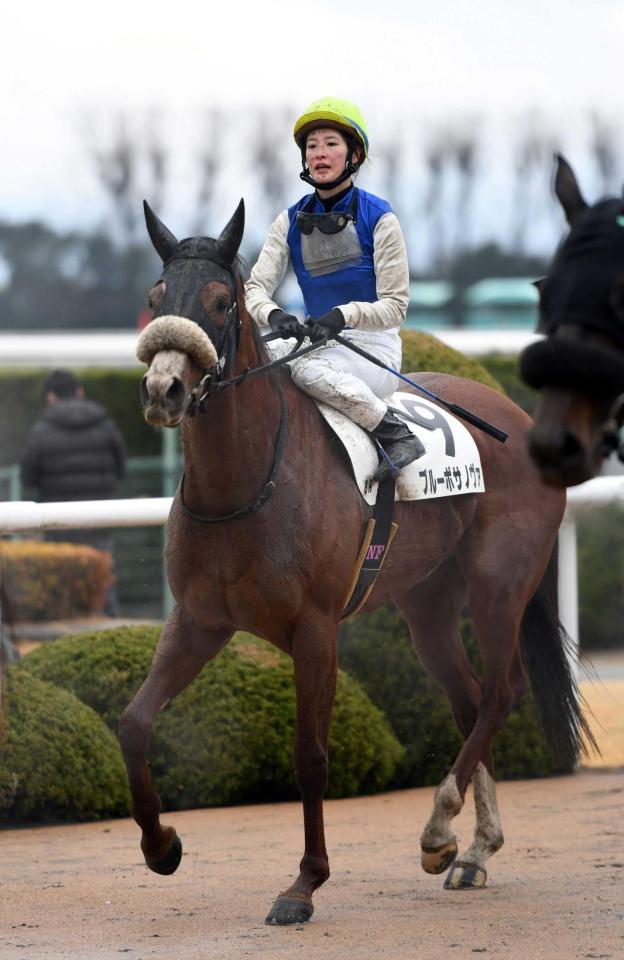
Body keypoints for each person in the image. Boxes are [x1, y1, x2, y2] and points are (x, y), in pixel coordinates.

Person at [244, 95, 424, 479]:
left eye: (330, 144)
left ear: (353, 156)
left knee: (307, 373)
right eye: (312, 146)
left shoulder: (380, 217)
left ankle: (396, 435)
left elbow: (396, 306)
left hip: (374, 350)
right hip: (317, 344)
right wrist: (274, 313)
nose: (319, 154)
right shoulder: (288, 220)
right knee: (250, 356)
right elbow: (254, 289)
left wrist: (344, 315)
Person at [20, 369, 126, 615]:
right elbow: (121, 467)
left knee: (60, 584)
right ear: (80, 392)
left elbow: (27, 477)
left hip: (58, 520)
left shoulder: (42, 431)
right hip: (101, 517)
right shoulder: (106, 426)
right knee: (102, 577)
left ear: (50, 398)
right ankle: (111, 625)